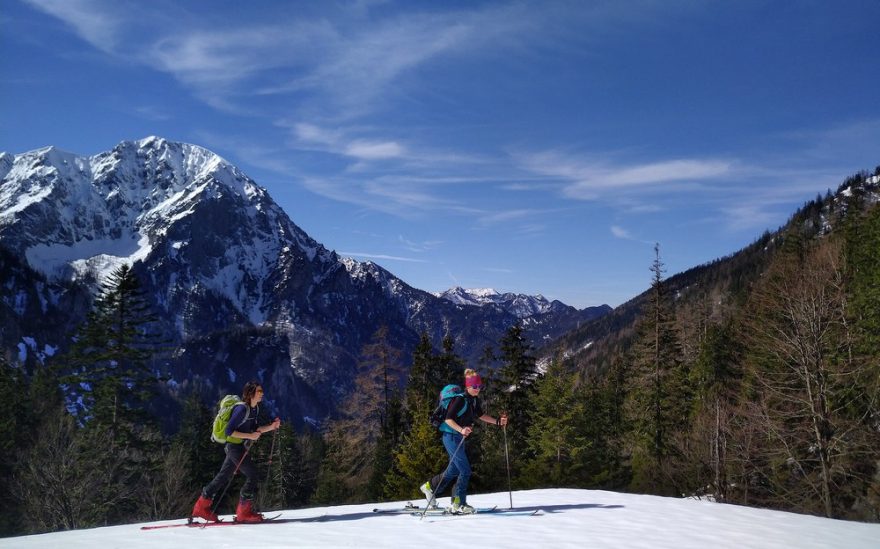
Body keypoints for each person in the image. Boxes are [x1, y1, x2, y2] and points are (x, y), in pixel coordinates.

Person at [419, 368, 508, 514]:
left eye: (480, 386)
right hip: (451, 437)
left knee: (454, 469)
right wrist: (461, 429)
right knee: (465, 470)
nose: (477, 389)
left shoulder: (474, 400)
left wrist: (498, 422)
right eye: (475, 386)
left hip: (458, 437)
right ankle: (458, 503)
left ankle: (430, 487)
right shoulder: (460, 399)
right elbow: (448, 418)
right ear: (468, 386)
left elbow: (481, 415)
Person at [191, 380, 281, 523]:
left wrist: (272, 426)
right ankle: (243, 512)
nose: (262, 393)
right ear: (250, 393)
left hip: (238, 447)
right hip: (234, 447)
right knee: (253, 475)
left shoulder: (254, 408)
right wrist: (249, 436)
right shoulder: (241, 409)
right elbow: (229, 431)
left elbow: (255, 429)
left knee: (222, 477)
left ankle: (201, 507)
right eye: (259, 391)